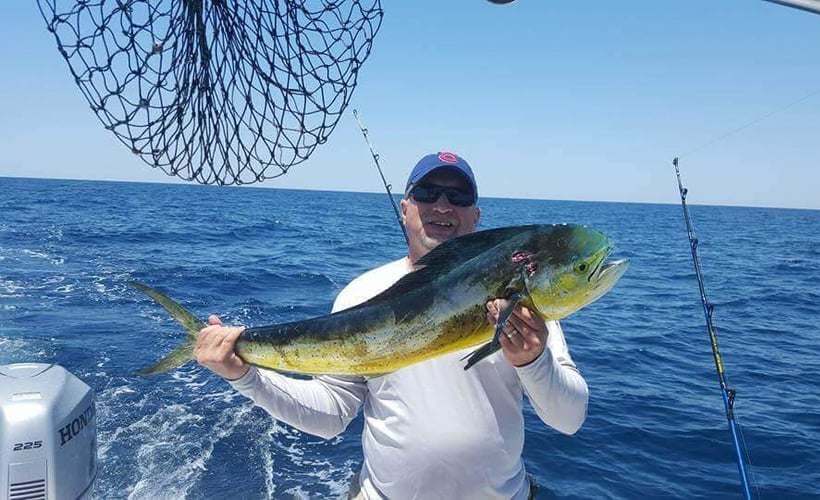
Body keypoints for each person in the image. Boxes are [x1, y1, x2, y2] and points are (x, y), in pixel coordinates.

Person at [195, 151, 589, 499]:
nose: (442, 205)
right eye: (427, 193)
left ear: (476, 215)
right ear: (405, 208)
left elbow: (568, 420)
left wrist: (533, 361)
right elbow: (330, 415)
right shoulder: (362, 294)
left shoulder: (525, 308)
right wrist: (243, 375)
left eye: (458, 196)